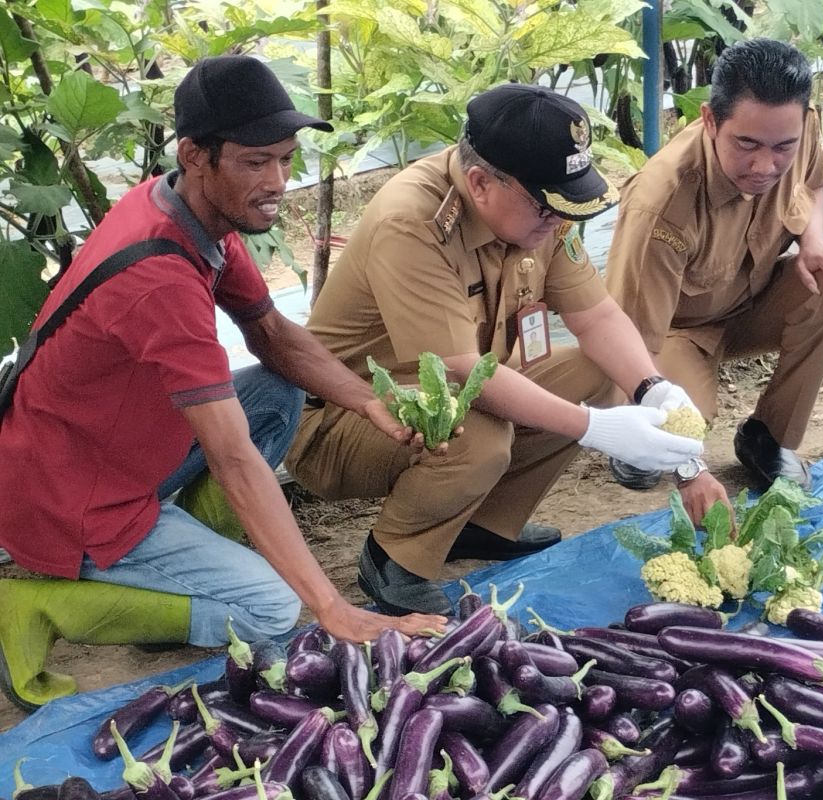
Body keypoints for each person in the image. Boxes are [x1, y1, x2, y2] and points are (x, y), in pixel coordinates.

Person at [0, 55, 445, 713]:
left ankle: (183, 561)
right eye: (256, 161)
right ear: (196, 155)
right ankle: (36, 605)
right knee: (271, 610)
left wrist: (368, 401)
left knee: (277, 388)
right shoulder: (159, 279)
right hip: (72, 500)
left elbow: (274, 335)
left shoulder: (189, 211)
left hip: (101, 448)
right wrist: (328, 606)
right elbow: (235, 459)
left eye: (287, 159)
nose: (278, 181)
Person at [285, 84, 705, 617]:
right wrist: (594, 429)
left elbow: (595, 316)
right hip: (340, 421)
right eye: (547, 206)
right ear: (480, 182)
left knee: (593, 375)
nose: (559, 219)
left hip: (445, 395)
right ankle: (395, 559)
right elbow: (458, 372)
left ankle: (479, 528)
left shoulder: (534, 212)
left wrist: (653, 388)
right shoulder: (412, 221)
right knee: (477, 435)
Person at [604, 38, 823, 524]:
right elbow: (631, 334)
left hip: (751, 303)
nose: (766, 166)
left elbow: (811, 182)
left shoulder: (796, 127)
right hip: (674, 333)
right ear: (709, 120)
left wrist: (814, 242)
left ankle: (768, 440)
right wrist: (689, 469)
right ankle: (633, 435)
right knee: (675, 428)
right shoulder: (662, 203)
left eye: (782, 147)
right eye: (746, 145)